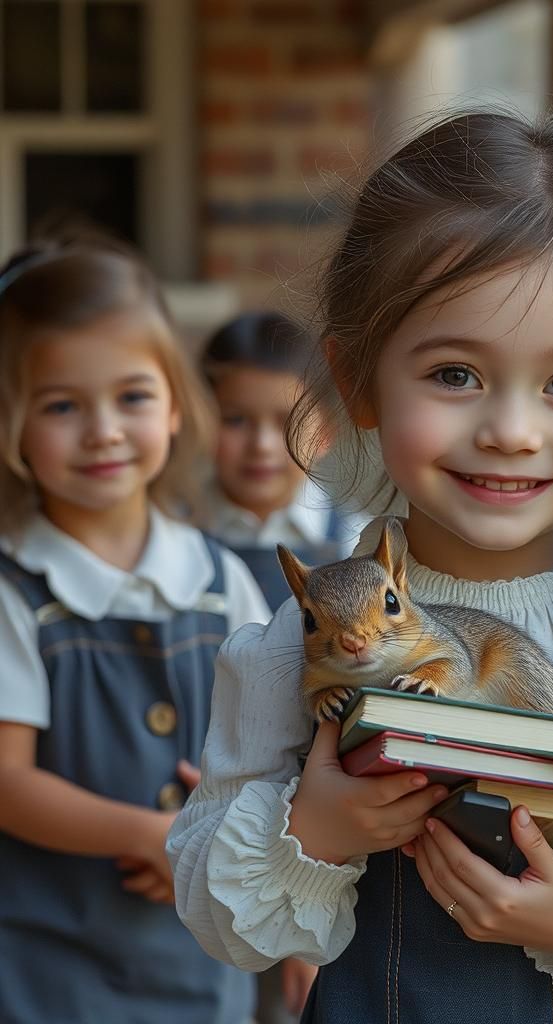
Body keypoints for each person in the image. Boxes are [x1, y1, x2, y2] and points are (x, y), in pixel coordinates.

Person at [168, 110, 553, 1023]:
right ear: (358, 383)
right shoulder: (290, 653)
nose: (509, 428)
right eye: (455, 373)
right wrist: (315, 832)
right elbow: (219, 910)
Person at [0, 237, 270, 1024]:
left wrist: (221, 835)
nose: (104, 431)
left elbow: (277, 749)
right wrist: (158, 835)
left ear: (178, 404)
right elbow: (8, 781)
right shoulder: (17, 590)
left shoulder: (223, 583)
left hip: (202, 965)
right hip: (42, 968)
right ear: (11, 420)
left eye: (133, 397)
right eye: (61, 406)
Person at [200, 311, 368, 614]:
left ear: (325, 433)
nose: (261, 445)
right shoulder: (173, 534)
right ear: (200, 424)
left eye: (287, 422)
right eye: (235, 420)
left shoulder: (359, 543)